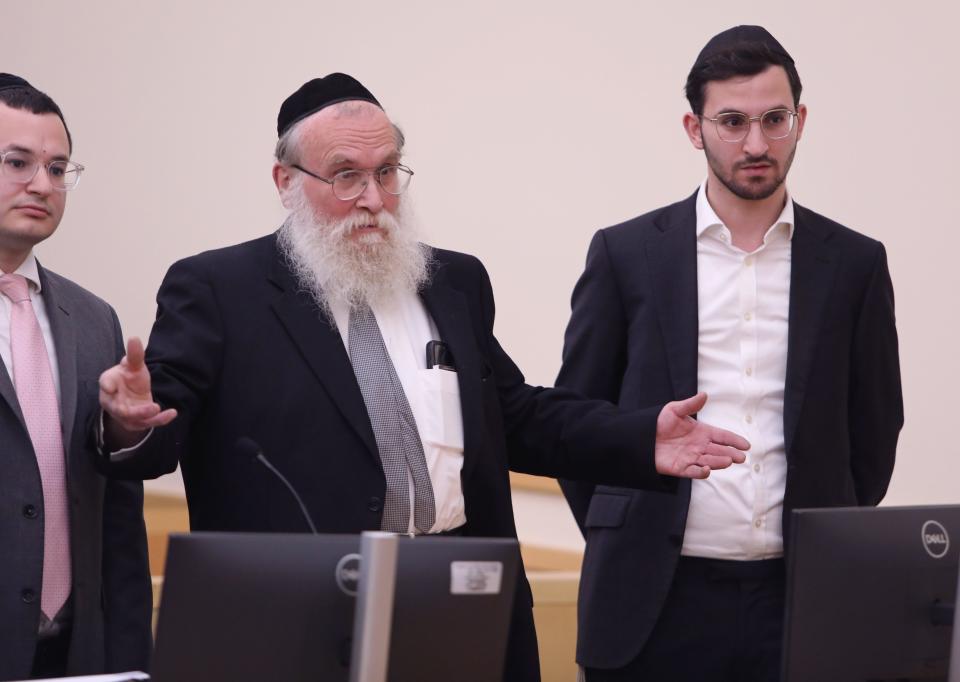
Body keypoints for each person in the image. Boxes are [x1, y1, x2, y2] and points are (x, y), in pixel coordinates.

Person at [95, 73, 749, 681]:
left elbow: (512, 416)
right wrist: (129, 423)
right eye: (346, 176)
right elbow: (157, 433)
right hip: (297, 613)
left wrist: (640, 439)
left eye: (386, 172)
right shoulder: (218, 290)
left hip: (454, 596)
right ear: (285, 180)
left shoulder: (452, 280)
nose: (373, 198)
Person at [557, 26, 904, 682]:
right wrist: (625, 527)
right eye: (733, 121)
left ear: (800, 120)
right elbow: (580, 428)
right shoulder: (626, 255)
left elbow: (873, 432)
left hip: (799, 599)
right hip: (652, 602)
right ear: (695, 128)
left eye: (775, 120)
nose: (756, 144)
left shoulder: (854, 264)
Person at [0, 74, 152, 680]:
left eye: (59, 169)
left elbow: (117, 515)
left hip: (76, 649)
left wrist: (123, 432)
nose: (43, 184)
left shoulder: (94, 319)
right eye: (18, 162)